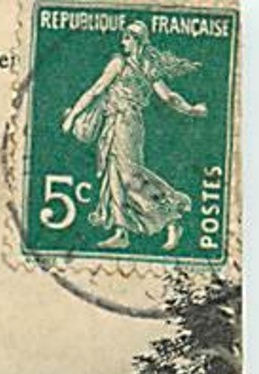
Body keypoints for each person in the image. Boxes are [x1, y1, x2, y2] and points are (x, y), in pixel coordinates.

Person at [61, 21, 208, 251]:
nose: (122, 42)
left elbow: (168, 96)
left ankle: (172, 216)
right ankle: (121, 232)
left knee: (131, 177)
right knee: (114, 177)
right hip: (113, 123)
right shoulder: (119, 62)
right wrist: (74, 115)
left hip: (129, 124)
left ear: (138, 40)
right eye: (123, 38)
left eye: (127, 38)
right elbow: (96, 89)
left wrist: (190, 109)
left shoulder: (144, 66)